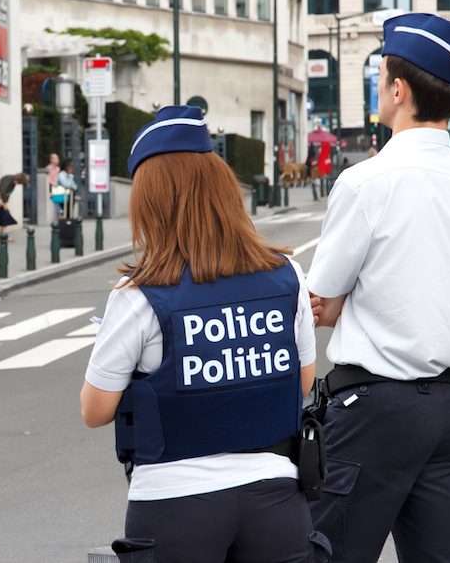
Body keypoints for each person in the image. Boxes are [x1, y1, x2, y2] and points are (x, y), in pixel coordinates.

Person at [80, 106, 329, 563]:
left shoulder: (138, 295)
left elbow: (95, 411)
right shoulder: (288, 275)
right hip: (276, 499)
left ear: (149, 202)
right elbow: (305, 381)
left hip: (174, 507)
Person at [307, 13, 450, 562]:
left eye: (381, 74)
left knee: (330, 552)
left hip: (376, 409)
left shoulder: (367, 181)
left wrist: (342, 305)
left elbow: (322, 301)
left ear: (398, 89)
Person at [0, 172, 29, 240]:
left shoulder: (12, 182)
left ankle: (2, 235)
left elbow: (7, 193)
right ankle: (3, 235)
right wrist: (3, 203)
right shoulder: (8, 180)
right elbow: (2, 191)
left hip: (1, 201)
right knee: (5, 216)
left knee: (4, 217)